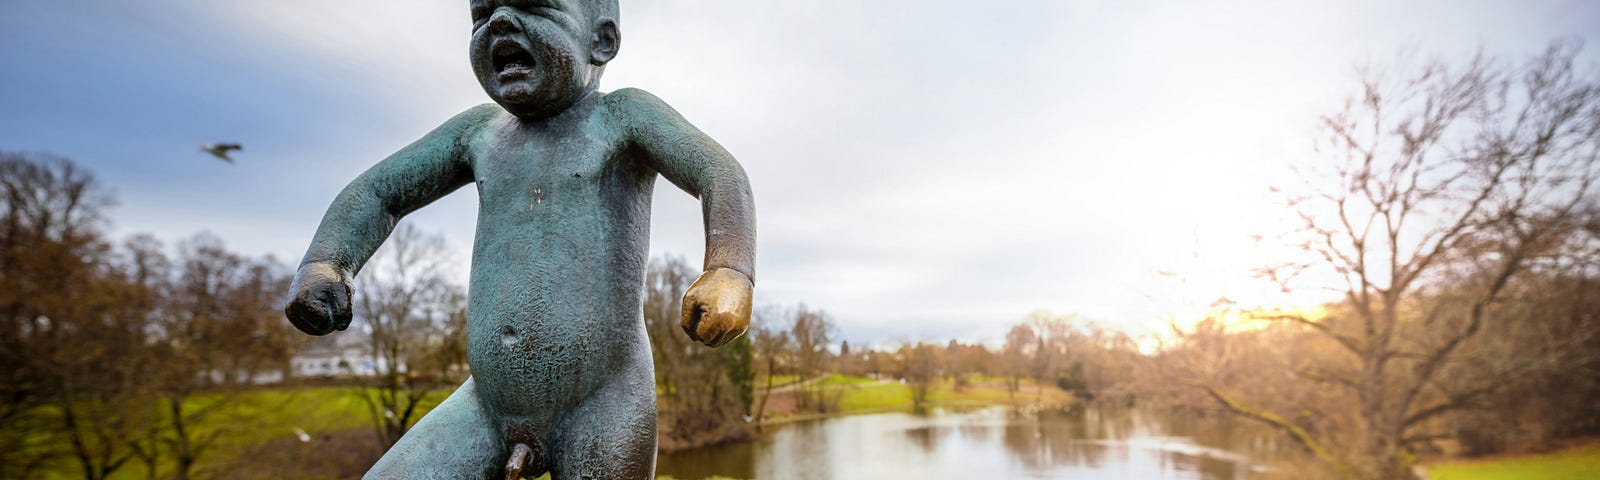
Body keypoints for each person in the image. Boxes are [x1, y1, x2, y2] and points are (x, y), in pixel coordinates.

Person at [282, 1, 756, 478]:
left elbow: (716, 170)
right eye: (482, 14)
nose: (501, 22)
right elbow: (380, 191)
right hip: (485, 407)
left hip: (605, 401)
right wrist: (326, 262)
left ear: (602, 40)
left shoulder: (621, 116)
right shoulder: (478, 132)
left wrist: (729, 269)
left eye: (535, 7)